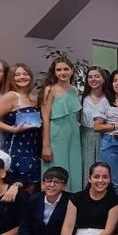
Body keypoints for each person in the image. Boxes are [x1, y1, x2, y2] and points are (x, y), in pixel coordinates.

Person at [0, 63, 42, 188]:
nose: (22, 77)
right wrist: (12, 129)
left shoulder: (34, 97)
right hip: (17, 148)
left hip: (33, 148)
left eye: (25, 73)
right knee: (17, 189)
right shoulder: (11, 96)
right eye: (17, 74)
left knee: (32, 188)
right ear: (12, 78)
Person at [39, 57, 83, 193]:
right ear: (54, 72)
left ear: (72, 70)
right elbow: (45, 118)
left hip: (74, 133)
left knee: (74, 167)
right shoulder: (49, 89)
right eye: (59, 70)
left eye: (66, 69)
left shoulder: (75, 90)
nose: (62, 72)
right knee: (57, 167)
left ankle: (72, 202)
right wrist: (46, 146)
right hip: (56, 134)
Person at [80, 66, 106, 191]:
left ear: (103, 79)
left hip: (105, 137)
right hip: (85, 137)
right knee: (87, 169)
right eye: (90, 77)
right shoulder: (82, 98)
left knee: (103, 169)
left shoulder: (109, 98)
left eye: (97, 76)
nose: (93, 79)